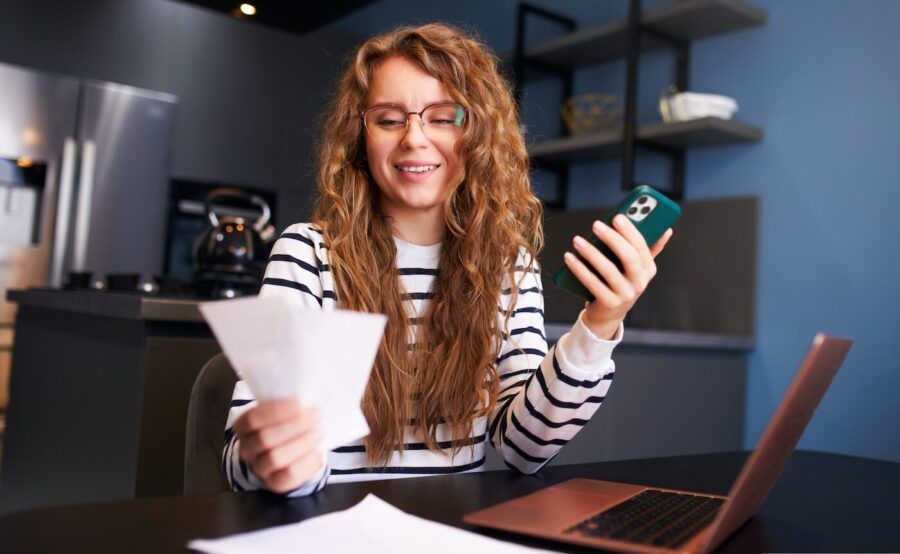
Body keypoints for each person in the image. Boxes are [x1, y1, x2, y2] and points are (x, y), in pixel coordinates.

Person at [223, 23, 673, 496]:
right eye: (389, 118)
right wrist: (279, 462)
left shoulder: (508, 267)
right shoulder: (308, 254)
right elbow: (240, 461)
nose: (414, 139)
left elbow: (524, 448)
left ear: (477, 132)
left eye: (442, 117)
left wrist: (599, 324)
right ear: (361, 134)